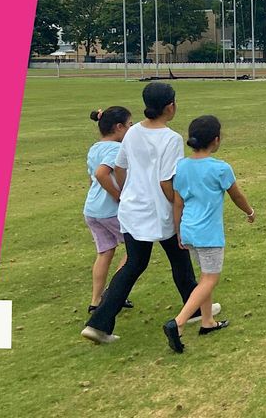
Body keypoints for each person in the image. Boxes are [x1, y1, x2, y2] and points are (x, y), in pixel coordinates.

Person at [81, 83, 216, 344]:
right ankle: (195, 309)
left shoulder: (132, 133)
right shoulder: (171, 138)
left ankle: (99, 323)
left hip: (132, 209)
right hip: (158, 210)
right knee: (178, 255)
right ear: (170, 107)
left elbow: (120, 167)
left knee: (137, 263)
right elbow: (166, 181)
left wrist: (129, 191)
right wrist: (178, 205)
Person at [162, 115, 255, 353]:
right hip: (208, 234)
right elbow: (237, 195)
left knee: (205, 276)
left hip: (189, 230)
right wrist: (249, 211)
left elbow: (178, 203)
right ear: (216, 140)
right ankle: (178, 323)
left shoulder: (181, 166)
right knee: (210, 279)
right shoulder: (220, 168)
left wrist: (178, 230)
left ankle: (207, 321)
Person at [83, 106, 135, 313]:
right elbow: (101, 173)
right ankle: (115, 293)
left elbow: (92, 178)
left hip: (92, 209)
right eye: (130, 125)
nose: (131, 129)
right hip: (110, 210)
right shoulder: (116, 149)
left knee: (105, 252)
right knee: (135, 251)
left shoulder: (95, 148)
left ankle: (95, 301)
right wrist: (118, 196)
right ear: (119, 127)